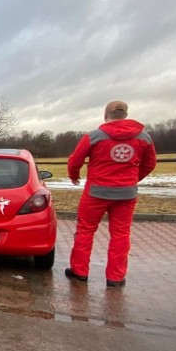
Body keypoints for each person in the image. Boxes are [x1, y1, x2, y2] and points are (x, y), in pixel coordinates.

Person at [65, 101, 157, 287]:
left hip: (96, 193)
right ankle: (116, 277)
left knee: (85, 231)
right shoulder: (144, 137)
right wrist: (132, 179)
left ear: (105, 115)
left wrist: (74, 176)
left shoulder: (94, 136)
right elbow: (150, 163)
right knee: (121, 234)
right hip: (126, 195)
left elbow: (75, 160)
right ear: (126, 114)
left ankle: (80, 270)